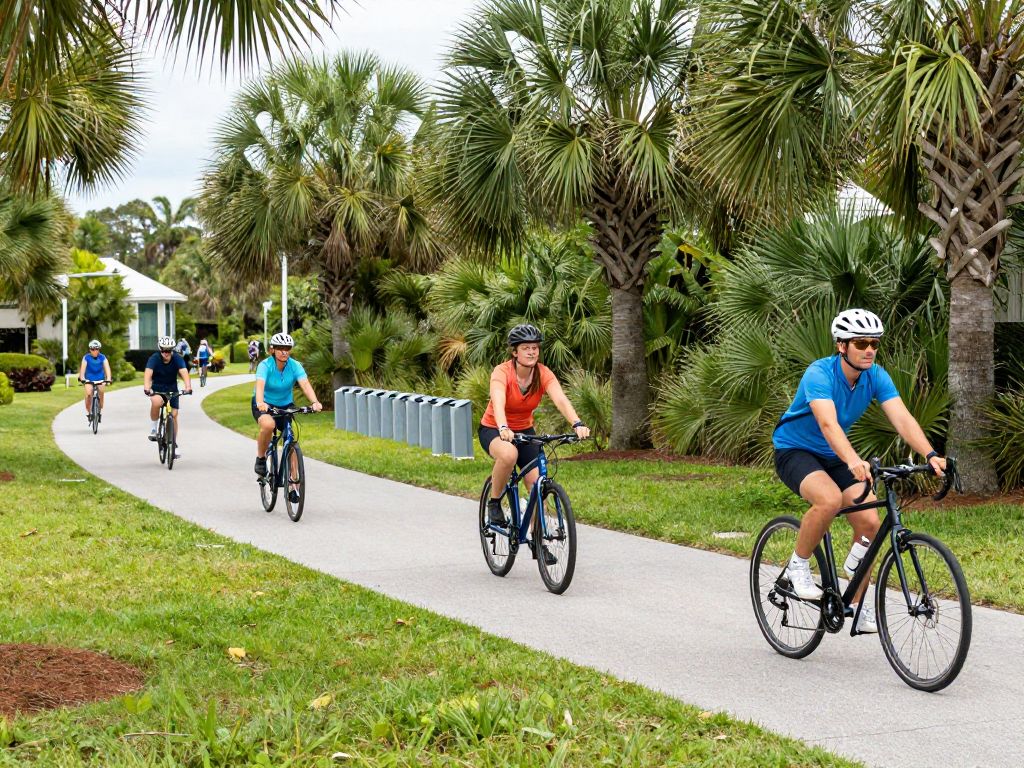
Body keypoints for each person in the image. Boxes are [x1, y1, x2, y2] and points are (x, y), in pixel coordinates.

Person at [773, 308, 946, 633]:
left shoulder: (875, 376)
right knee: (828, 500)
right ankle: (798, 566)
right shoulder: (819, 373)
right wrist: (853, 459)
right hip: (794, 450)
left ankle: (856, 604)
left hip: (836, 455)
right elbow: (827, 423)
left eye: (874, 343)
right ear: (842, 345)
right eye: (861, 342)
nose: (869, 349)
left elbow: (903, 419)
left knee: (869, 521)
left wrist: (931, 453)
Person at [479, 324, 590, 557]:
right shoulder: (502, 372)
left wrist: (577, 423)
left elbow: (560, 399)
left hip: (525, 430)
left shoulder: (543, 373)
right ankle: (495, 502)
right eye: (526, 348)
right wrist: (503, 427)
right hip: (494, 428)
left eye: (535, 348)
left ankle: (538, 539)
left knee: (537, 482)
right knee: (509, 455)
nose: (532, 352)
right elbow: (498, 401)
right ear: (514, 352)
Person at [253, 333, 323, 498]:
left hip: (285, 405)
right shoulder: (265, 365)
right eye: (280, 349)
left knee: (290, 438)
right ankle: (261, 459)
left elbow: (304, 383)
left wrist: (315, 402)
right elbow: (260, 385)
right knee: (268, 425)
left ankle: (293, 485)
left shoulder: (295, 365)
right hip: (265, 403)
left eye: (287, 349)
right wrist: (260, 402)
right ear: (273, 349)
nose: (284, 352)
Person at [144, 336, 193, 458]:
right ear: (160, 350)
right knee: (156, 402)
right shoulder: (154, 358)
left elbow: (184, 371)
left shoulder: (177, 358)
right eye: (164, 350)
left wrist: (188, 387)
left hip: (172, 388)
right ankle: (154, 429)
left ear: (172, 350)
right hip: (158, 388)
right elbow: (148, 372)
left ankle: (173, 443)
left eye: (169, 350)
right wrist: (147, 387)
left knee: (174, 415)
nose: (166, 353)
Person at [77, 339, 112, 422]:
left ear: (99, 349)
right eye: (93, 349)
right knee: (89, 394)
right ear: (90, 350)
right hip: (89, 379)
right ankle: (89, 413)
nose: (95, 351)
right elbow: (82, 370)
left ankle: (99, 411)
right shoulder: (86, 358)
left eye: (97, 349)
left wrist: (108, 379)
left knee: (101, 396)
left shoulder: (102, 357)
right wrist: (82, 378)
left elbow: (107, 368)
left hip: (100, 378)